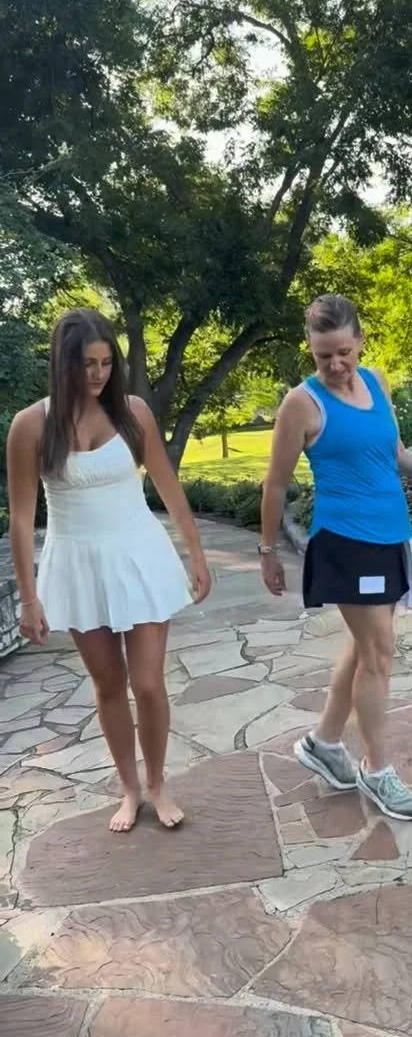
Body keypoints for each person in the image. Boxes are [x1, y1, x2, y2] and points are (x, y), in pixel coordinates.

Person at [7, 308, 211, 833]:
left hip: (139, 557)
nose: (99, 374)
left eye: (106, 363)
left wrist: (196, 553)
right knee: (108, 684)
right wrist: (28, 598)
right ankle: (129, 789)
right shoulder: (31, 426)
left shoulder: (133, 412)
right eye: (87, 364)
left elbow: (167, 485)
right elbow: (23, 520)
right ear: (63, 364)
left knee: (148, 683)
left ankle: (158, 784)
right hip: (77, 566)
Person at [260, 293, 412, 822]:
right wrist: (267, 551)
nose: (335, 364)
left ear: (361, 342)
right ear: (311, 350)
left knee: (365, 647)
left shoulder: (376, 382)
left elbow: (394, 453)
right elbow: (275, 483)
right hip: (346, 542)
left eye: (343, 352)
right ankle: (376, 769)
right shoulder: (302, 403)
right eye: (323, 355)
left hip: (391, 536)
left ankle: (324, 743)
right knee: (379, 655)